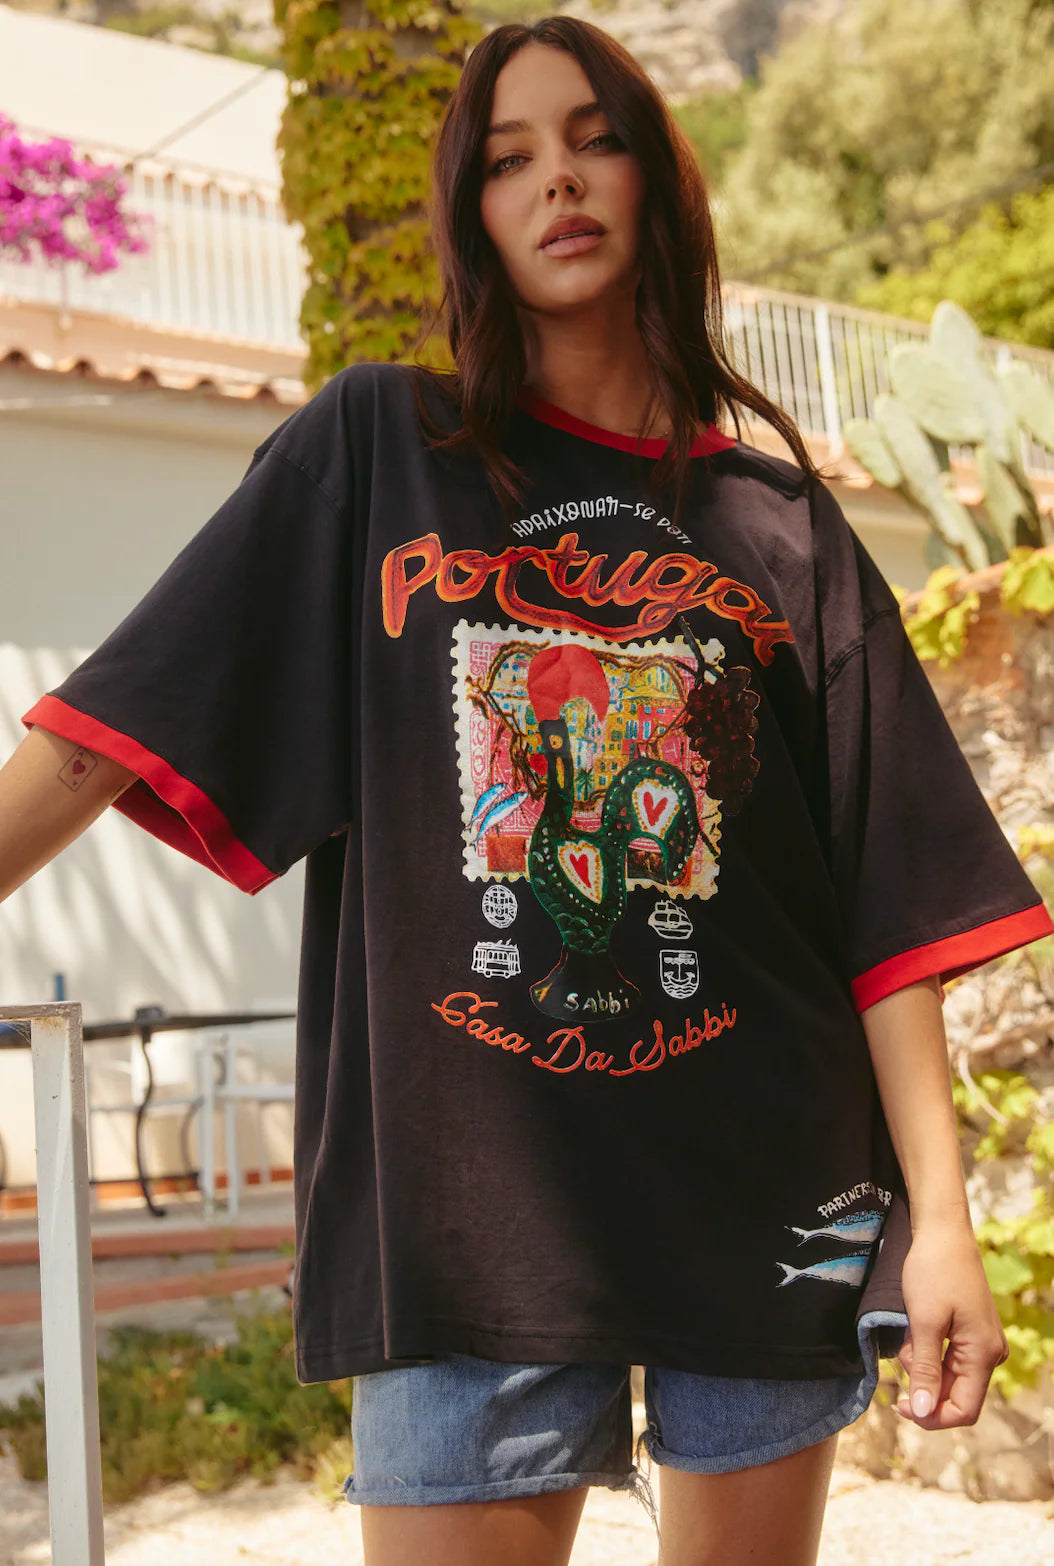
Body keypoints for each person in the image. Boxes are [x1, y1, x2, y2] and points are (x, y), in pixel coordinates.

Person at [3, 15, 1051, 1566]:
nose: (555, 179)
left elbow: (883, 903)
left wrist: (942, 1224)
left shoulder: (780, 523)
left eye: (592, 139)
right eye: (508, 159)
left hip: (763, 1184)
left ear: (654, 185)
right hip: (463, 1216)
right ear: (472, 214)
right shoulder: (378, 448)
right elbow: (111, 728)